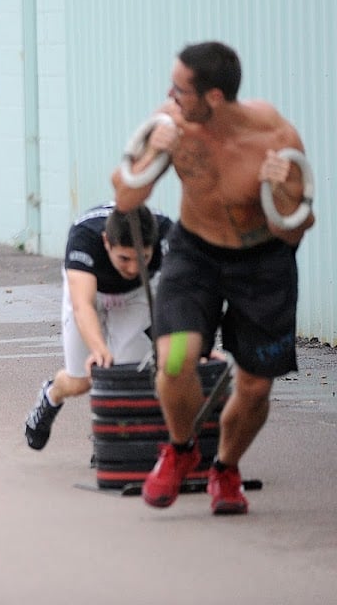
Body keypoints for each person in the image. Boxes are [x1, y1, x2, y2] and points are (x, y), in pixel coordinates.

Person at [112, 41, 314, 515]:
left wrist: (283, 188)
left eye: (180, 89)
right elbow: (124, 198)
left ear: (215, 97)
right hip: (195, 255)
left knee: (257, 386)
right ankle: (182, 451)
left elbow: (299, 225)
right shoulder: (173, 125)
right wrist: (148, 158)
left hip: (262, 264)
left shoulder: (275, 136)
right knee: (176, 360)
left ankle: (225, 468)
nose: (170, 95)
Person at [24, 203, 172, 450]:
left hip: (135, 296)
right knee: (81, 381)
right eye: (124, 258)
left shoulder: (167, 233)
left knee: (128, 373)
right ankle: (51, 395)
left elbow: (181, 294)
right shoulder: (85, 237)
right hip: (90, 294)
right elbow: (83, 305)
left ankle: (108, 439)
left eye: (142, 258)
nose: (134, 268)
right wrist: (98, 349)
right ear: (106, 242)